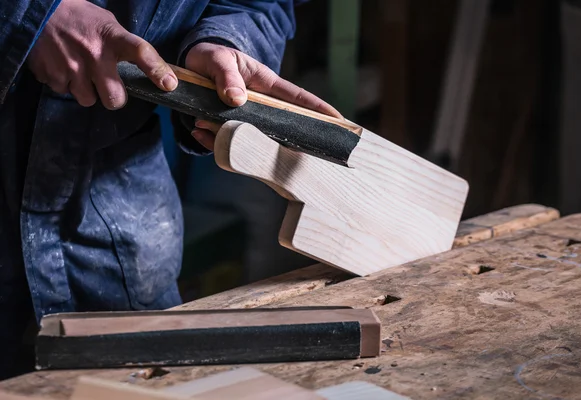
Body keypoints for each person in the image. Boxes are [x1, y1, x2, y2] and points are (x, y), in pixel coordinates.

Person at [0, 0, 341, 379]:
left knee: (144, 380)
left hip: (119, 197)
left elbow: (259, 5)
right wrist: (31, 15)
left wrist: (223, 39)